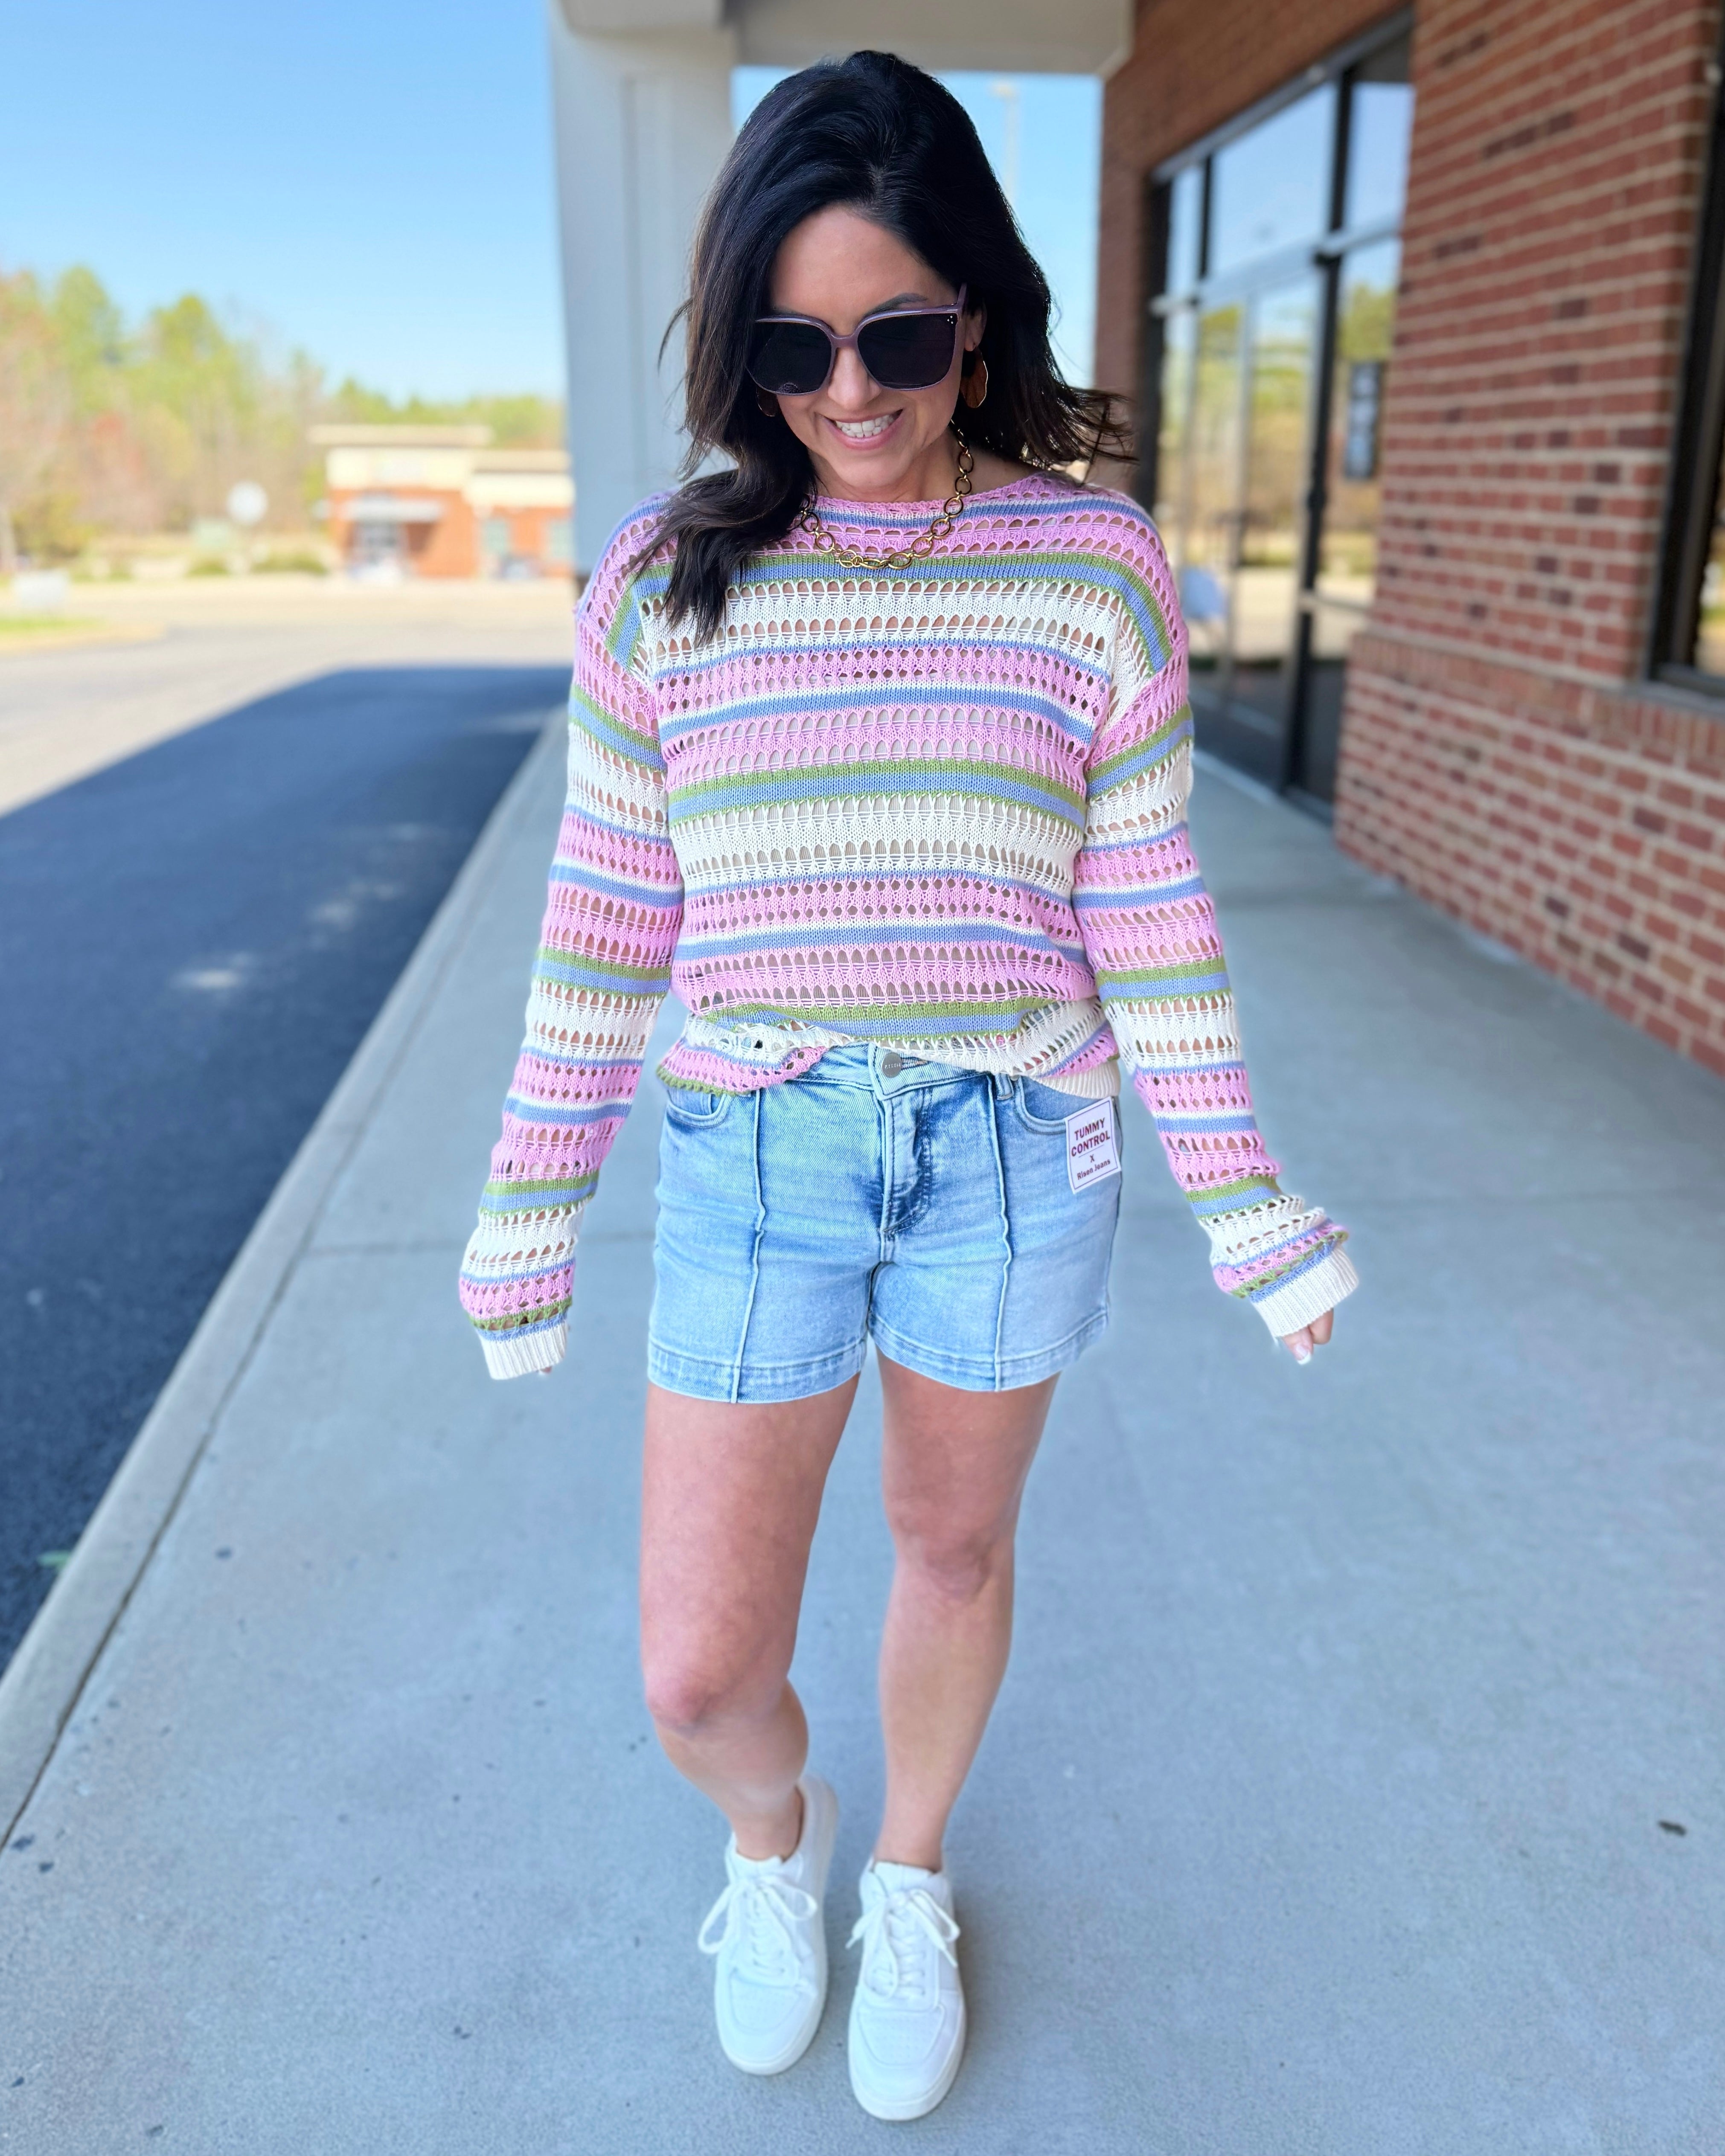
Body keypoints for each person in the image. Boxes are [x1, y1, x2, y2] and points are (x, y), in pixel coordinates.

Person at [458, 49, 1356, 2123]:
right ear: (739, 339)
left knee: (951, 1556)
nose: (849, 391)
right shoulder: (661, 586)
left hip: (1014, 1153)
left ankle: (914, 1873)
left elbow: (1146, 921)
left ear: (981, 312)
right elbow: (601, 928)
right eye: (793, 342)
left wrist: (1248, 1201)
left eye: (903, 334)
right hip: (759, 1149)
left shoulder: (1093, 569)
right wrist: (529, 1200)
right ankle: (777, 1842)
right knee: (696, 1667)